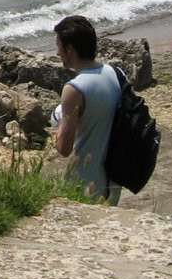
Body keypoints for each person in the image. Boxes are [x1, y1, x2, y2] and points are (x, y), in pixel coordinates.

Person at [52, 14, 123, 203]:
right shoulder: (116, 73)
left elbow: (64, 148)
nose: (57, 53)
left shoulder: (74, 89)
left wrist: (58, 121)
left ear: (70, 49)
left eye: (58, 46)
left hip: (84, 180)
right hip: (114, 177)